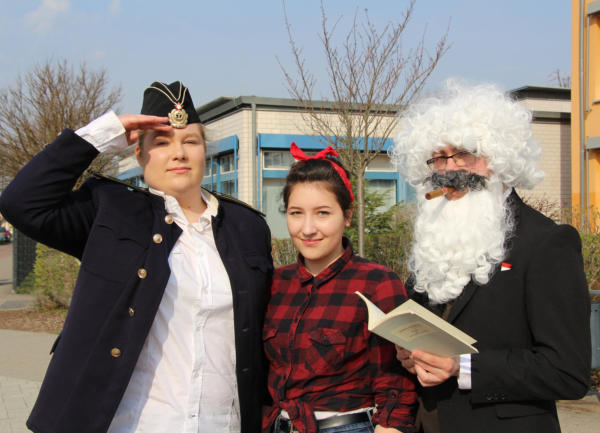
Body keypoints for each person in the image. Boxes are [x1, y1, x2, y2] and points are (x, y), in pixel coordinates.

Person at [0, 81, 273, 433]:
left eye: (190, 141)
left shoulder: (246, 226)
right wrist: (105, 133)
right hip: (133, 423)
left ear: (205, 151)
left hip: (223, 423)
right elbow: (22, 203)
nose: (179, 153)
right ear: (139, 154)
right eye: (161, 142)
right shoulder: (111, 209)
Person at [389, 80, 591, 433]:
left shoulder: (547, 242)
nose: (448, 169)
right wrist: (407, 351)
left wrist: (462, 366)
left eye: (463, 154)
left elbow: (567, 371)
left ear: (498, 156)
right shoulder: (434, 240)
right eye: (438, 157)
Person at [262, 143, 416, 433]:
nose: (308, 228)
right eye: (296, 213)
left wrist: (391, 426)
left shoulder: (377, 283)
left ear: (347, 215)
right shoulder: (275, 284)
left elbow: (394, 378)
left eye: (322, 213)